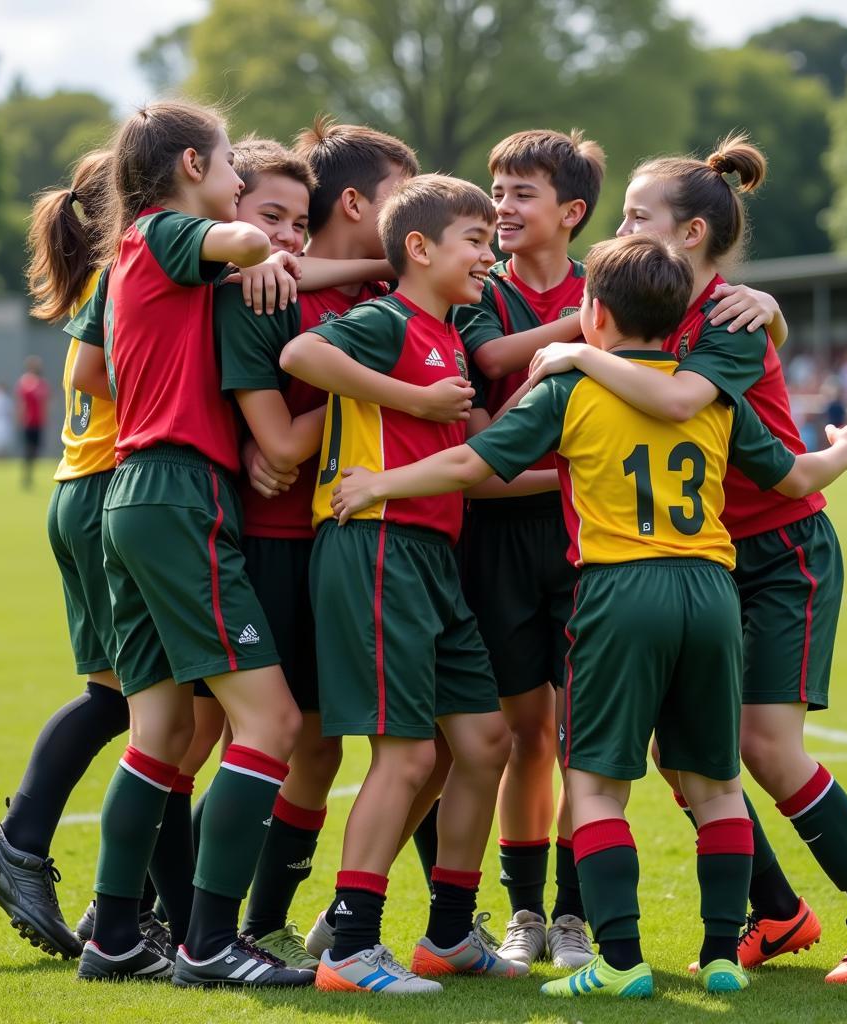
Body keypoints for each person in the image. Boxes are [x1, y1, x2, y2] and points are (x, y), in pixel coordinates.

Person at [329, 233, 847, 998]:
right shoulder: (709, 392)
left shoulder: (571, 387)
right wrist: (846, 450)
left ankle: (618, 962)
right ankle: (721, 957)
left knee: (592, 786)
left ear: (593, 316)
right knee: (715, 783)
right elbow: (791, 478)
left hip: (621, 591)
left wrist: (379, 484)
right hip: (714, 590)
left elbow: (469, 465)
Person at [528, 133, 847, 983]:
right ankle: (778, 911)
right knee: (687, 756)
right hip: (704, 566)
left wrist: (577, 353)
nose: (620, 226)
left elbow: (677, 399)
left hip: (782, 550)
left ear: (693, 236)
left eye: (638, 214)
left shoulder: (732, 320)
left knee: (765, 747)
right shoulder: (649, 305)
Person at [66, 100, 315, 988]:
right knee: (273, 721)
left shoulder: (139, 256)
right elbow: (245, 246)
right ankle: (210, 942)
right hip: (179, 494)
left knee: (163, 730)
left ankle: (117, 936)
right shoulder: (163, 230)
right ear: (184, 166)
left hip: (134, 497)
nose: (240, 183)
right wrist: (264, 258)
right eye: (227, 167)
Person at [280, 174, 520, 994]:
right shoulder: (388, 321)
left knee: (485, 743)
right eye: (475, 241)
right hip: (376, 548)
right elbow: (301, 353)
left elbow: (477, 469)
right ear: (418, 249)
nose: (489, 256)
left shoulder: (454, 341)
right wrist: (413, 396)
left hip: (433, 560)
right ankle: (349, 949)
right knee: (408, 752)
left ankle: (450, 935)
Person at [218, 125, 445, 971]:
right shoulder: (275, 287)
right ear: (356, 203)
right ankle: (175, 917)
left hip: (339, 544)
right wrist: (374, 408)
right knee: (232, 738)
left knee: (319, 746)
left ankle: (263, 922)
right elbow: (277, 446)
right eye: (401, 188)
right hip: (265, 543)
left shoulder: (389, 290)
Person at [0, 151, 132, 963]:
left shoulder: (106, 280)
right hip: (106, 492)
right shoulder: (125, 281)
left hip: (83, 491)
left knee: (133, 702)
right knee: (145, 706)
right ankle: (22, 846)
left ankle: (103, 890)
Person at [450, 128, 603, 970]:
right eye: (496, 191)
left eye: (520, 194)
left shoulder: (606, 286)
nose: (501, 208)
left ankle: (575, 917)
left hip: (588, 537)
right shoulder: (481, 289)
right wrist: (586, 324)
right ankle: (524, 913)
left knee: (586, 733)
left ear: (571, 212)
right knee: (523, 736)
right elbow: (482, 357)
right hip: (497, 536)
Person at [15, 356, 50, 488]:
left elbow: (45, 404)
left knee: (35, 450)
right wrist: (20, 420)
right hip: (28, 422)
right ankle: (26, 476)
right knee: (28, 449)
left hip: (38, 423)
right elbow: (22, 404)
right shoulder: (25, 382)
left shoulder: (42, 383)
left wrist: (45, 419)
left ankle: (29, 476)